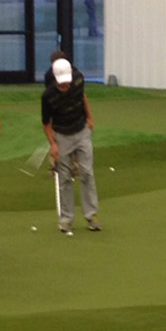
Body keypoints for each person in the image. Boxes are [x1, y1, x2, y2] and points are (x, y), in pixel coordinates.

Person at [42, 58, 99, 234]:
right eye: (62, 83)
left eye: (67, 82)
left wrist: (89, 117)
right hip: (62, 135)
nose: (65, 85)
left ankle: (92, 215)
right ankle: (66, 219)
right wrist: (53, 144)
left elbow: (82, 97)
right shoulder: (48, 95)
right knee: (65, 177)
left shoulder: (78, 80)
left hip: (81, 131)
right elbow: (46, 122)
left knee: (87, 172)